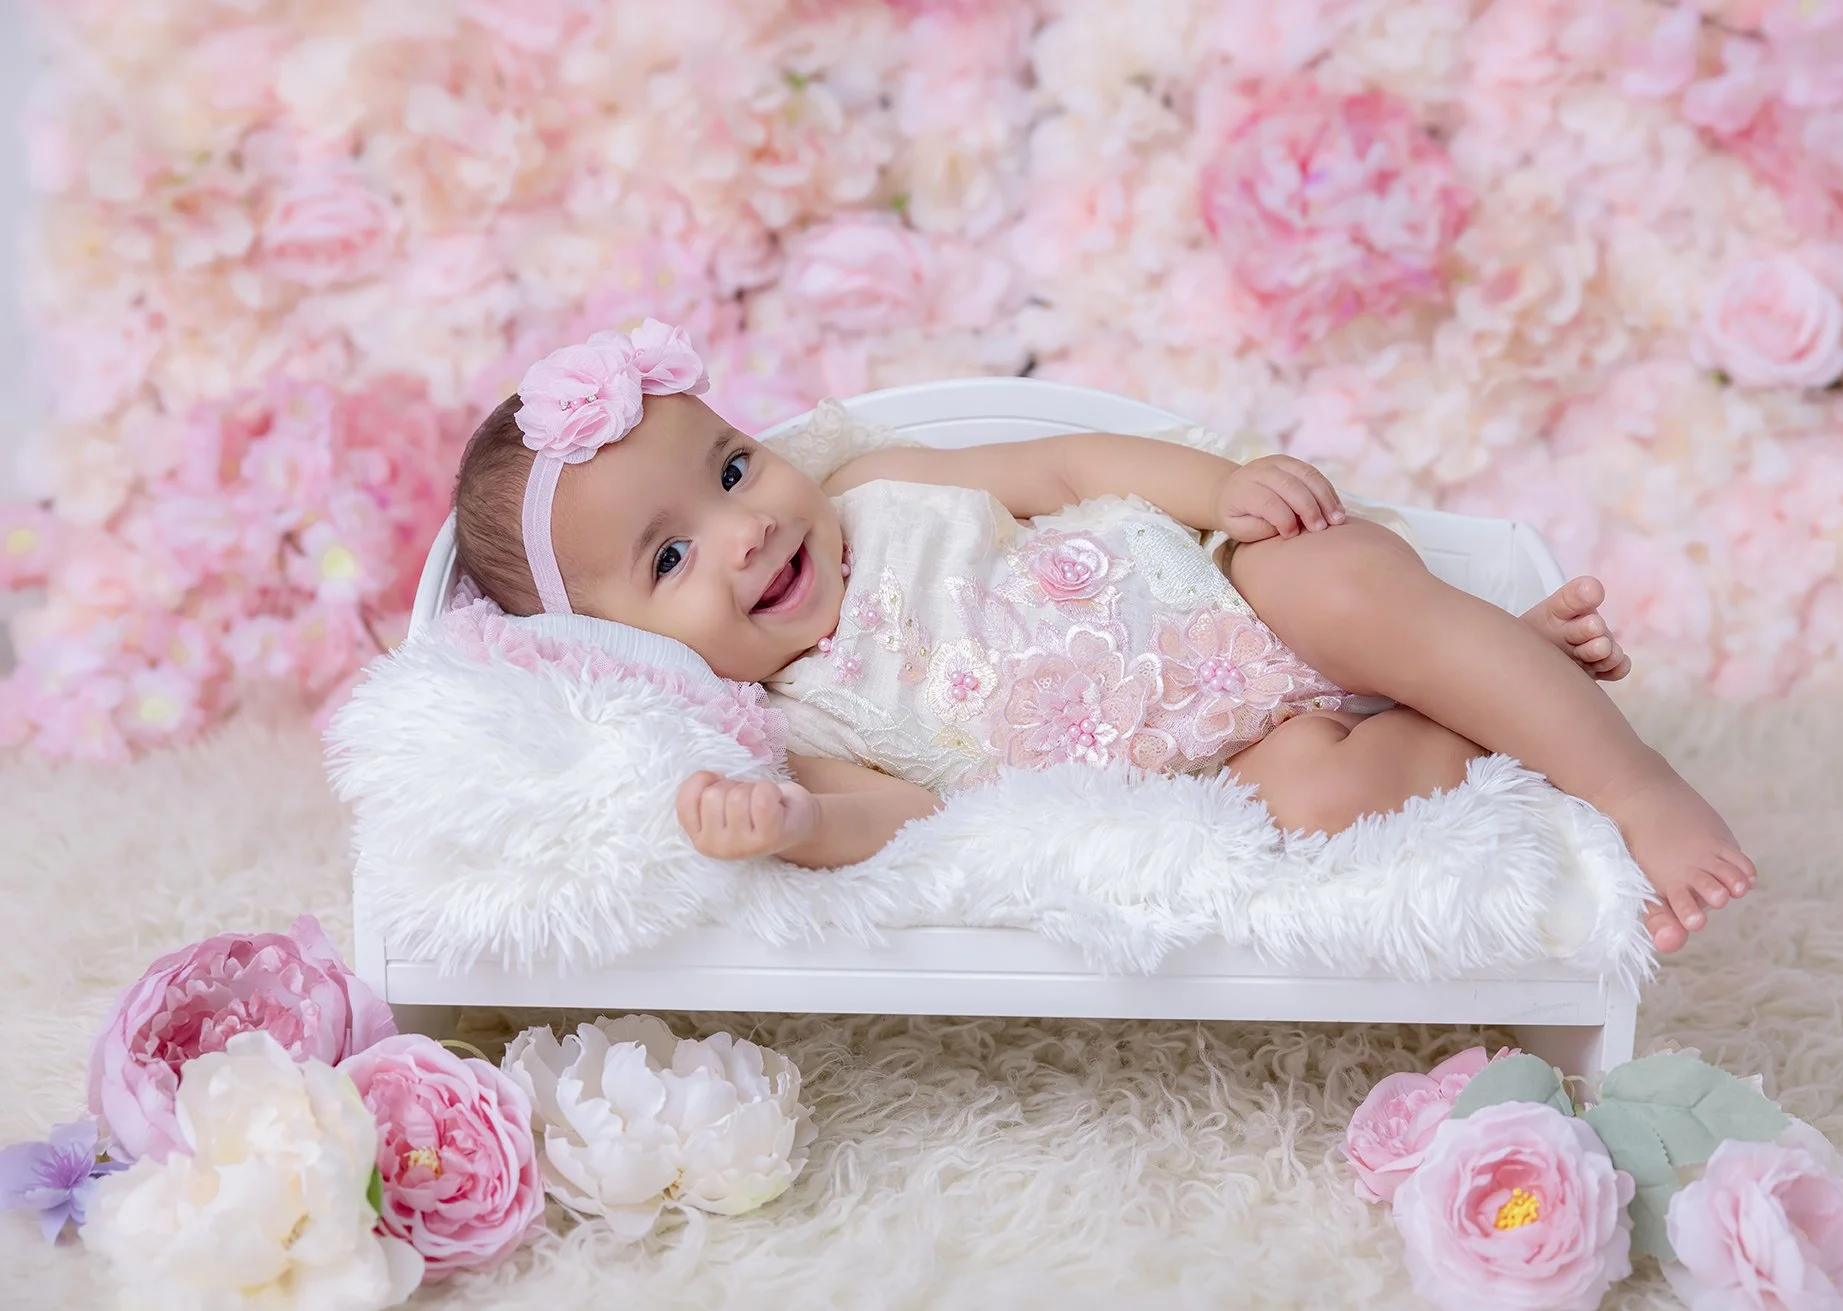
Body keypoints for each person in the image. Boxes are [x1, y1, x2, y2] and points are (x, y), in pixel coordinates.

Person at [452, 319, 1753, 952]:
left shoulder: (878, 484)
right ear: (629, 649)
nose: (742, 531)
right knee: (1316, 803)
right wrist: (795, 827)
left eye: (732, 469)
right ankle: (1485, 686)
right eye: (670, 557)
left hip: (1236, 598)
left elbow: (1070, 460)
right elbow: (903, 820)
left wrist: (1221, 491)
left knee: (1337, 583)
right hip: (1216, 769)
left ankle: (1629, 781)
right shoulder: (803, 723)